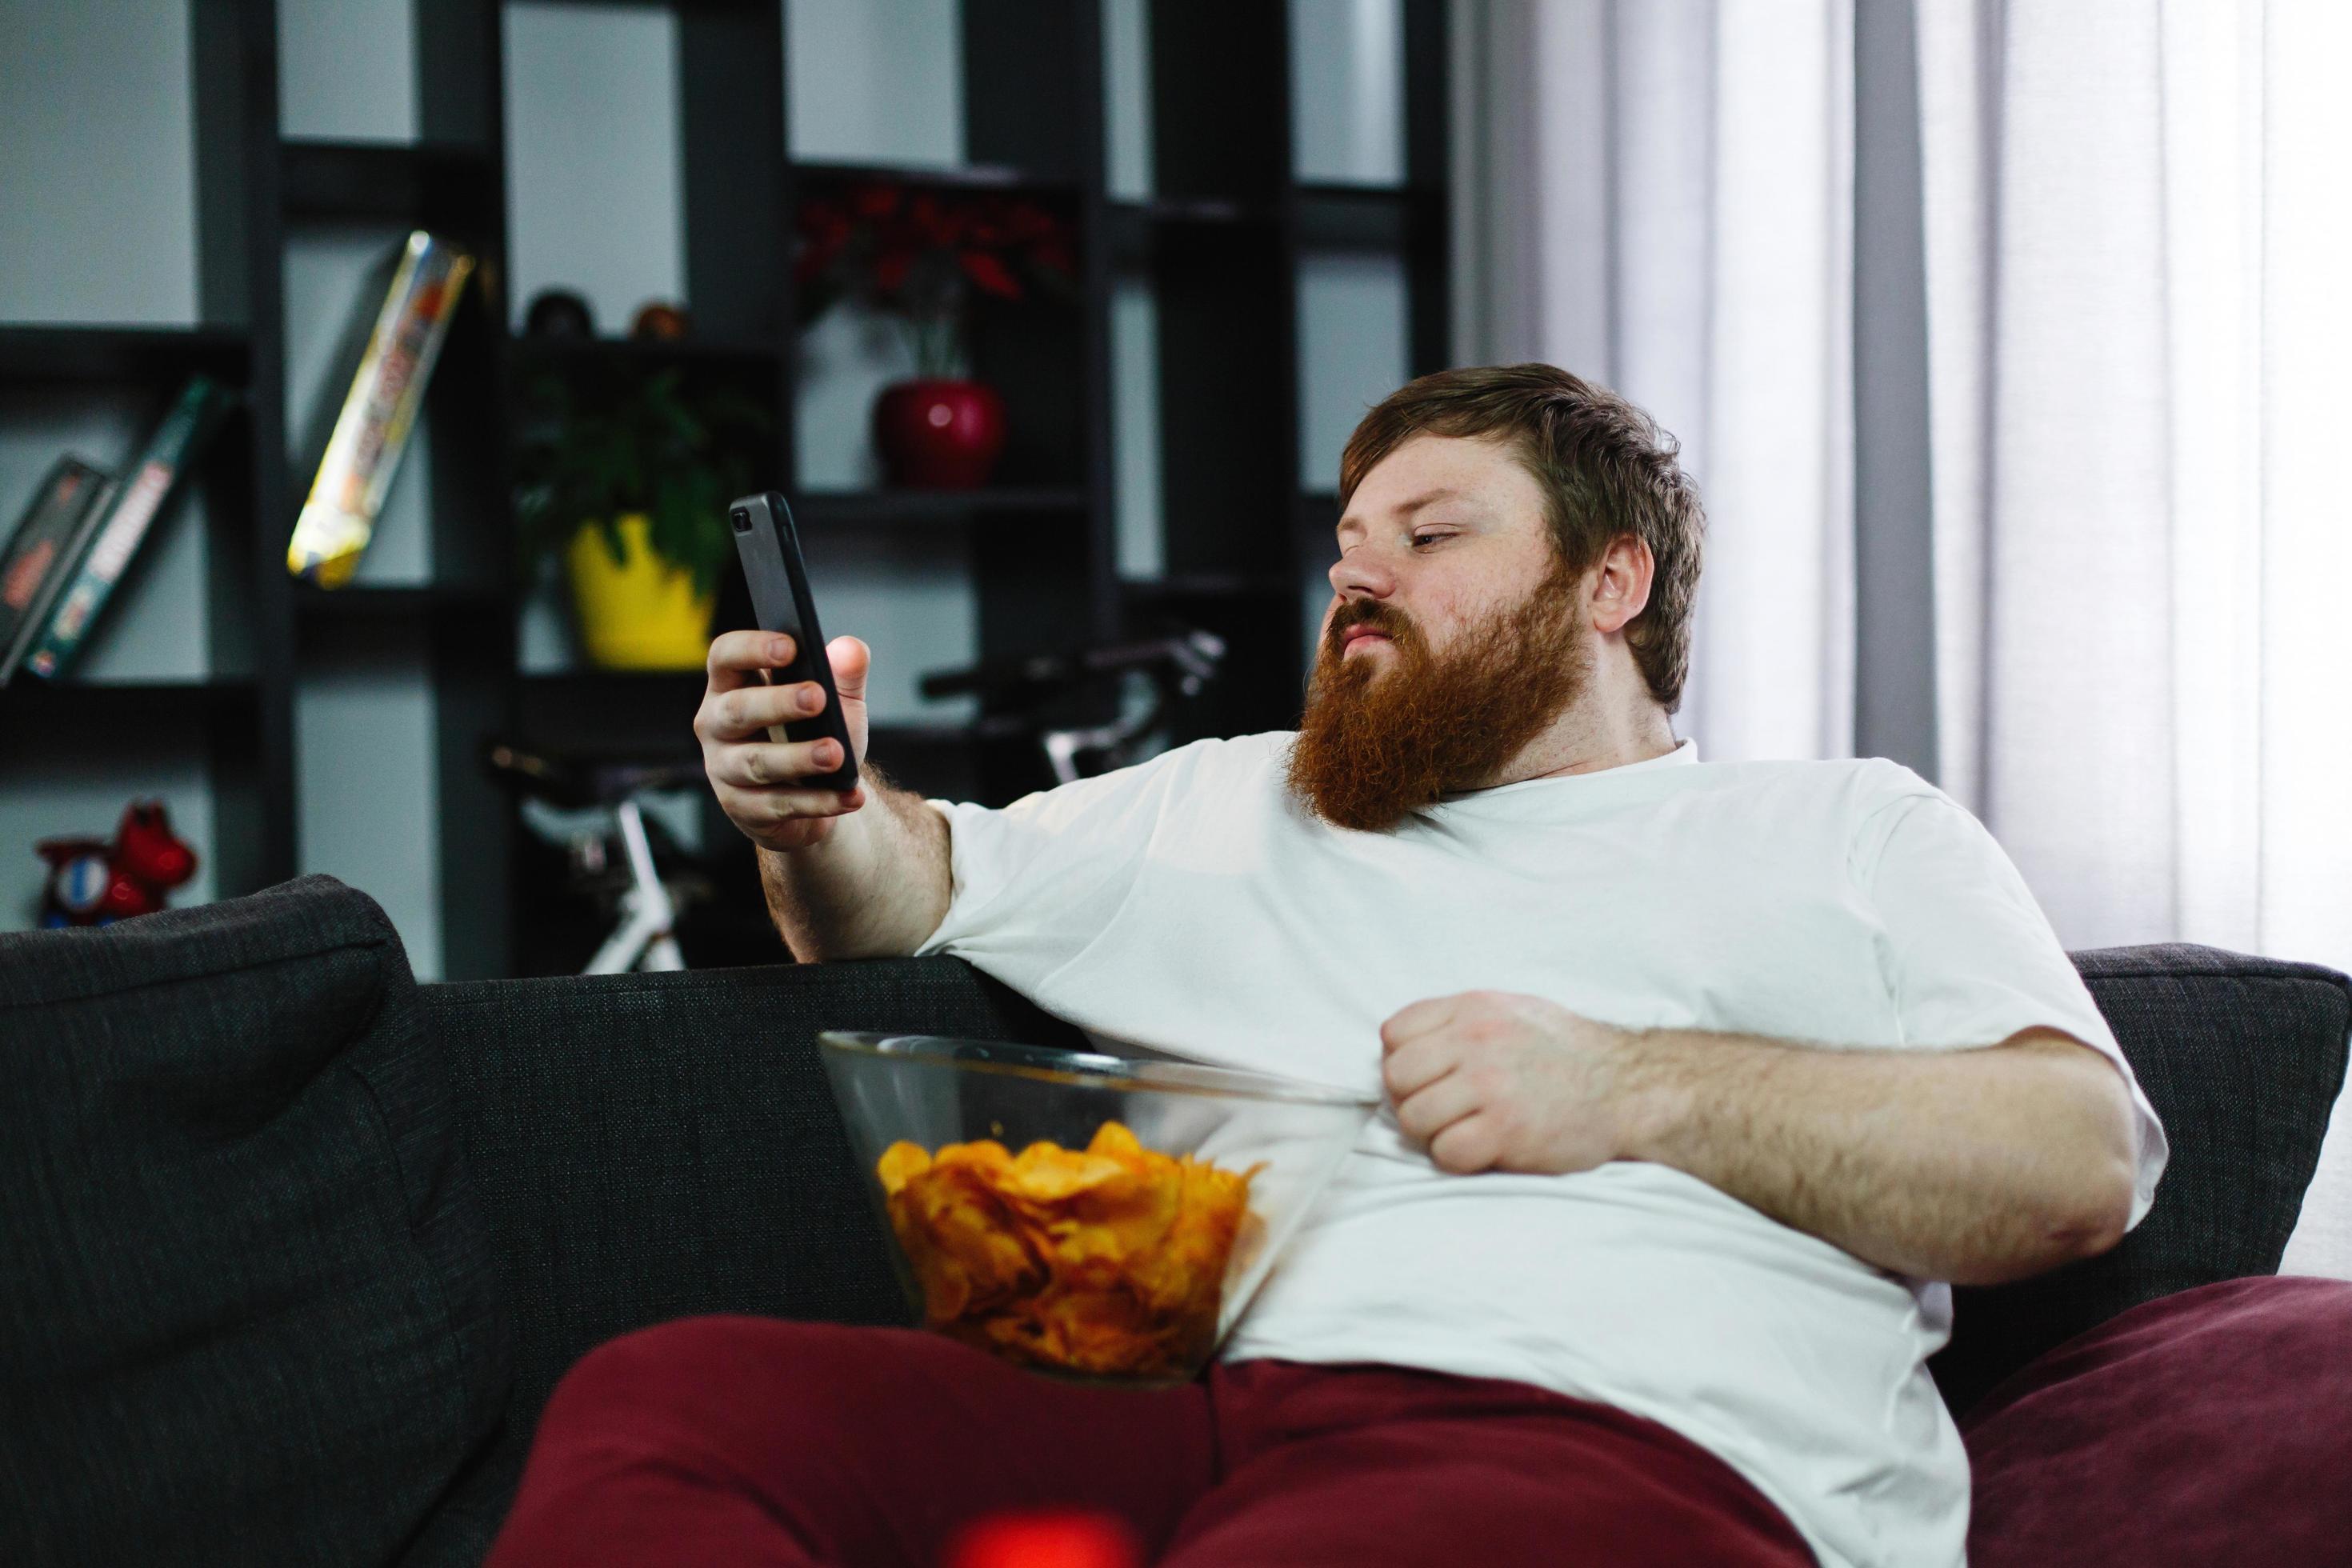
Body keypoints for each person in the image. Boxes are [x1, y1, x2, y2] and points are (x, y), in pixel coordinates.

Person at [490, 364, 2167, 1568]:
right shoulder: (1236, 795)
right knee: (672, 1404)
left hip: (1628, 1448)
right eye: (1349, 538)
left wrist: (1630, 1082)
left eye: (1430, 533)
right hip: (1199, 1415)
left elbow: (2077, 1157)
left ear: (1612, 580)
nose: (1360, 570)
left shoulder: (1846, 830)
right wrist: (809, 806)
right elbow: (900, 883)